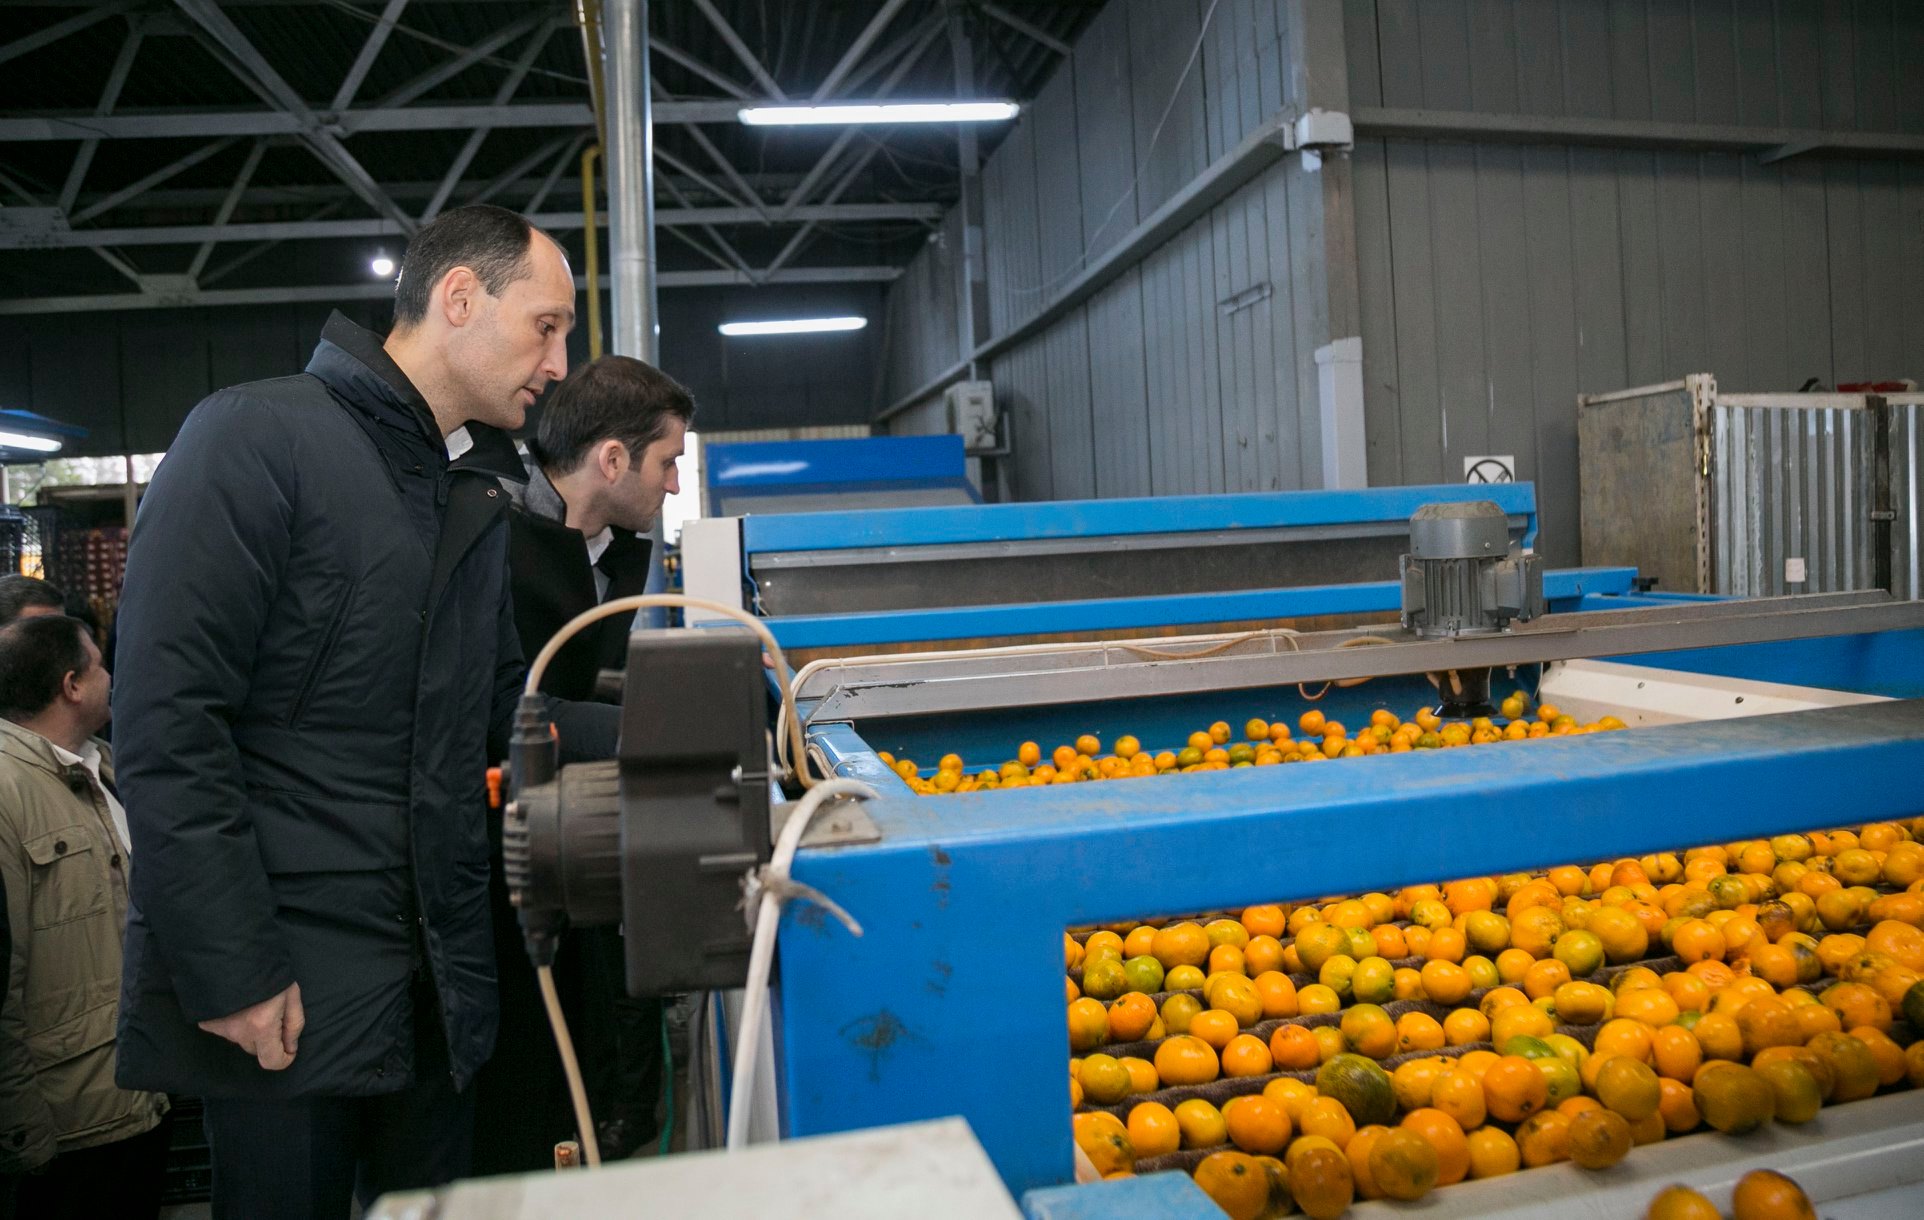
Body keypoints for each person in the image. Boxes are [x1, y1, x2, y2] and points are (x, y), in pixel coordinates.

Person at [109, 204, 619, 1219]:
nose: (560, 365)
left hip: (434, 988)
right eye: (547, 326)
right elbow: (168, 726)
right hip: (285, 991)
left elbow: (503, 712)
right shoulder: (254, 438)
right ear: (460, 298)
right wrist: (231, 969)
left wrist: (685, 726)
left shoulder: (466, 493)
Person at [472, 357, 691, 1172]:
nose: (674, 485)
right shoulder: (492, 541)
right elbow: (507, 708)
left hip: (569, 841)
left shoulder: (608, 548)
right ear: (611, 459)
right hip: (493, 866)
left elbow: (587, 680)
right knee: (517, 1095)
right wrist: (659, 728)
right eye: (667, 462)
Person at [0, 616, 170, 1219]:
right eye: (99, 665)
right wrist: (23, 1131)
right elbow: (4, 978)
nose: (111, 677)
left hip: (132, 1092)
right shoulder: (8, 791)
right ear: (71, 685)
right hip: (67, 1122)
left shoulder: (103, 767)